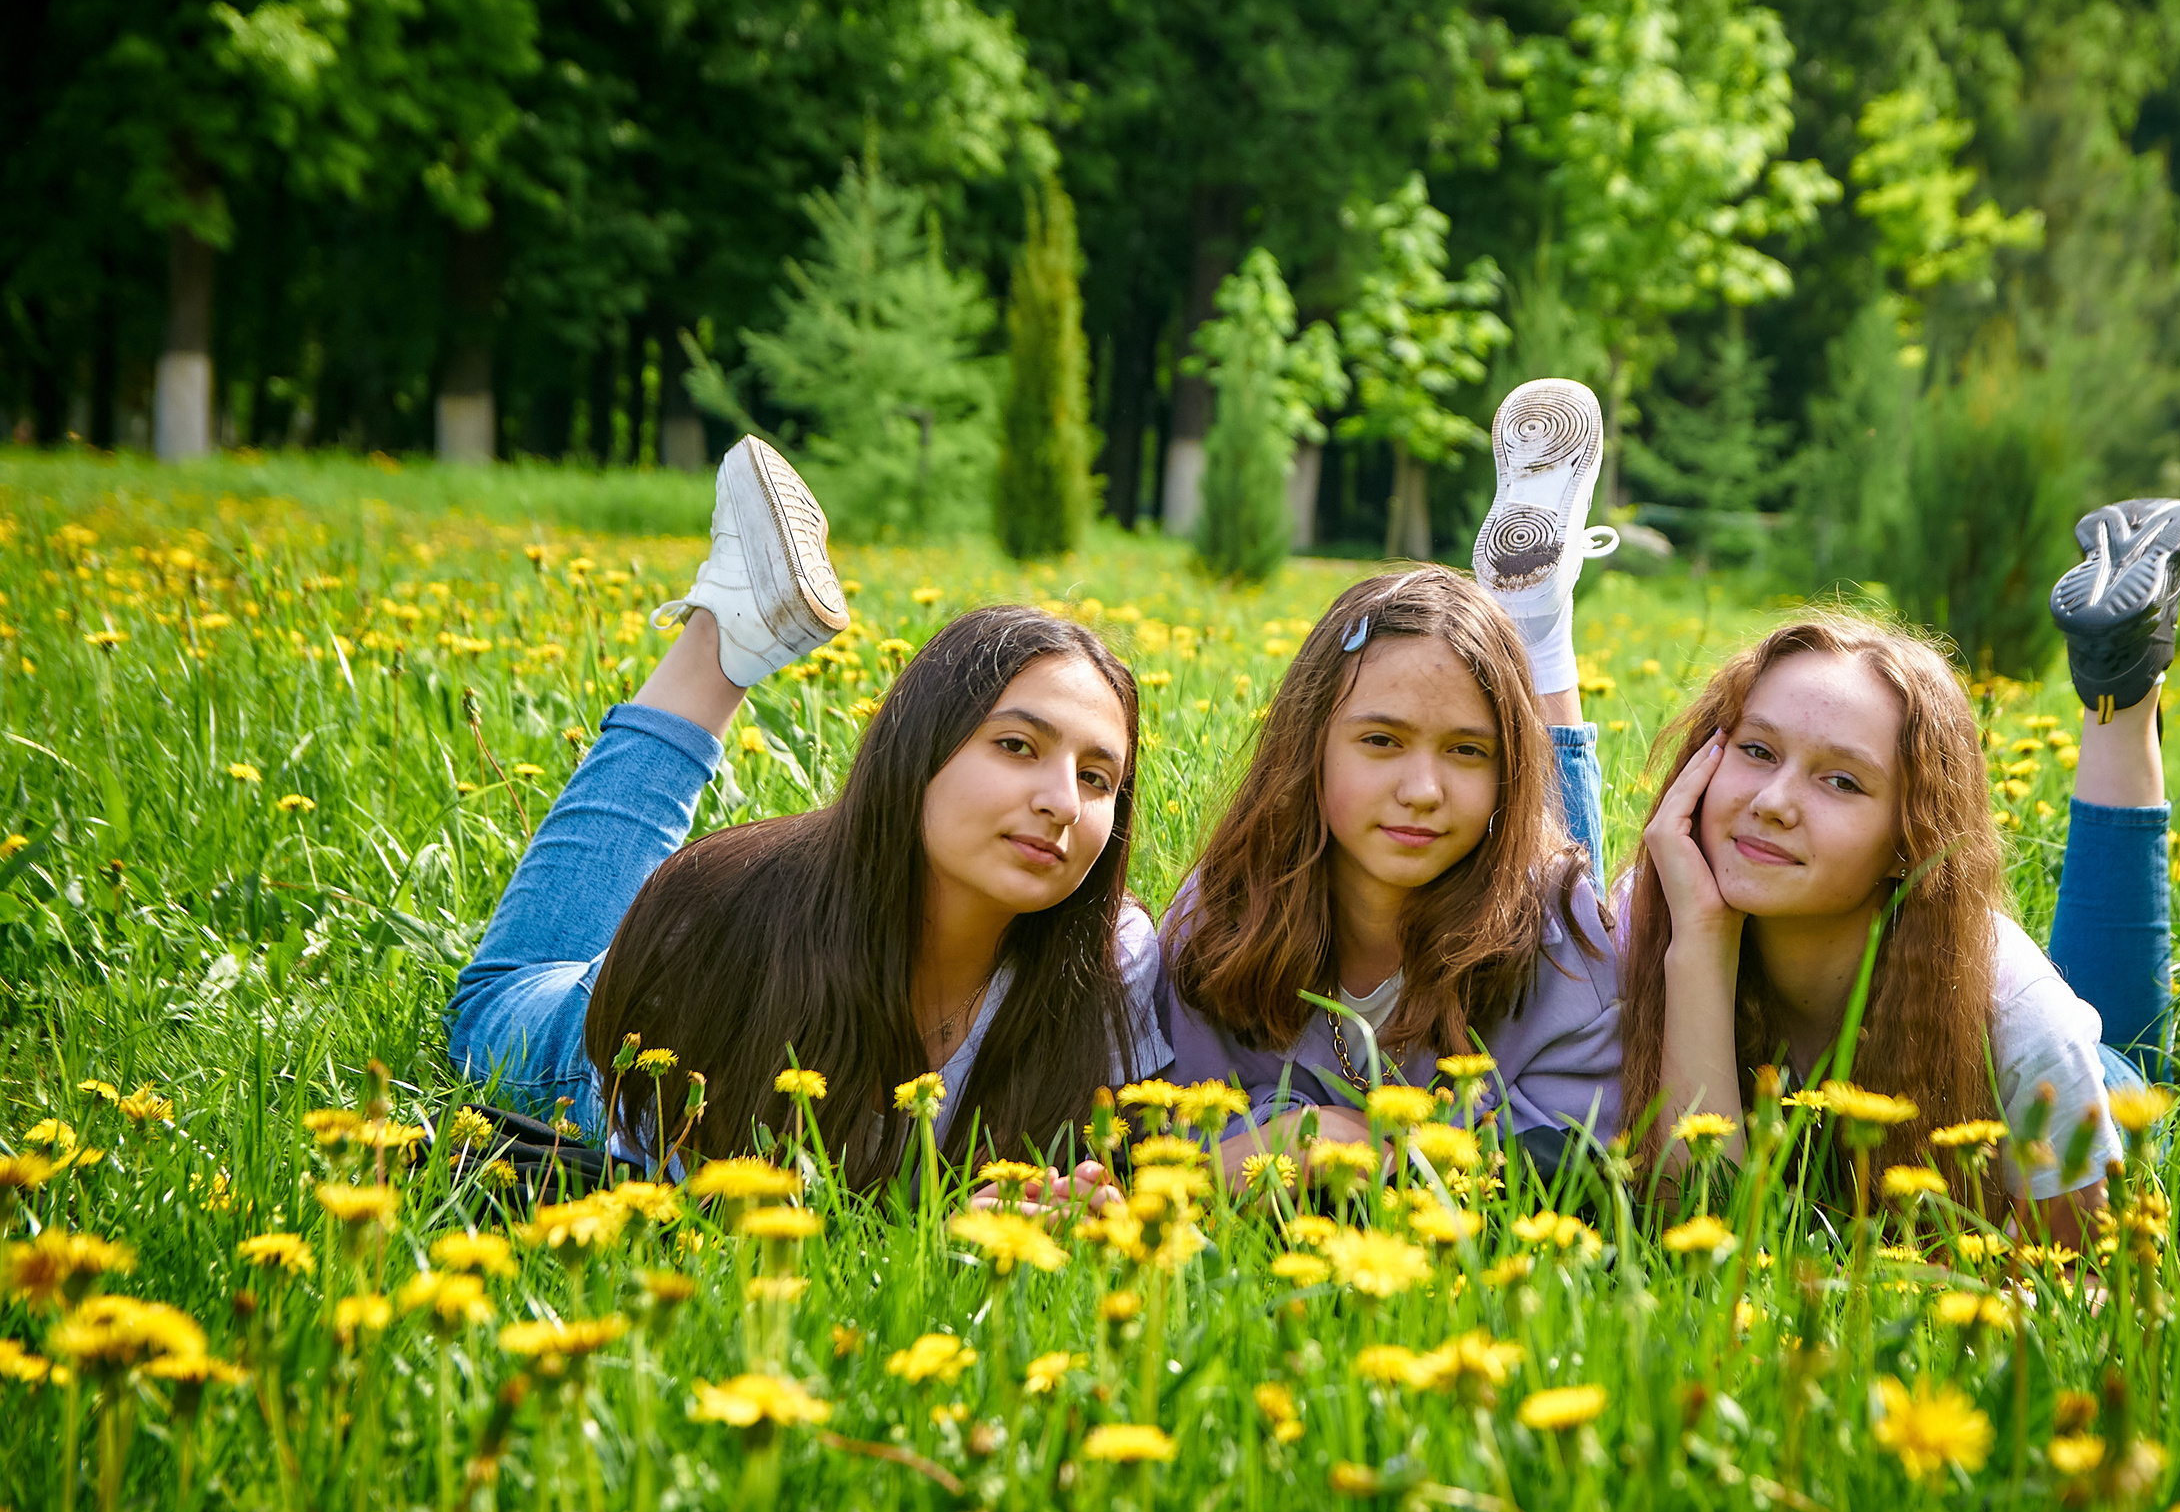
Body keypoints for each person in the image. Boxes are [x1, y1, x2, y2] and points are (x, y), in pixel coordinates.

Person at [1469, 385, 2180, 1241]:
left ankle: (2124, 682)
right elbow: (1694, 1227)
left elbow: (2073, 1284)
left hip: (2084, 1088)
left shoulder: (2015, 1020)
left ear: (1910, 839)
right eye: (1756, 751)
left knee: (2136, 1066)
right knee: (1567, 919)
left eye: (1842, 782)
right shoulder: (1657, 907)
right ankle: (1534, 627)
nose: (1774, 804)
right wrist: (1700, 939)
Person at [445, 437, 1167, 1193]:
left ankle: (742, 621)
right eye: (1017, 745)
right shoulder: (724, 933)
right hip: (611, 1027)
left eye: (1096, 777)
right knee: (492, 1002)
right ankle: (720, 638)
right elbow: (708, 1212)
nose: (1061, 800)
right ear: (916, 751)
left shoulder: (1109, 960)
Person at [1157, 562, 1622, 1182]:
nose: (1423, 790)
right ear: (1309, 745)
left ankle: (1540, 623)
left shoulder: (1567, 941)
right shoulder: (1221, 915)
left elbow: (1575, 1159)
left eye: (1467, 750)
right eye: (1381, 740)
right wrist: (1291, 1132)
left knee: (1569, 845)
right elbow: (1181, 1126)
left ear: (1505, 772)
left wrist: (1358, 1152)